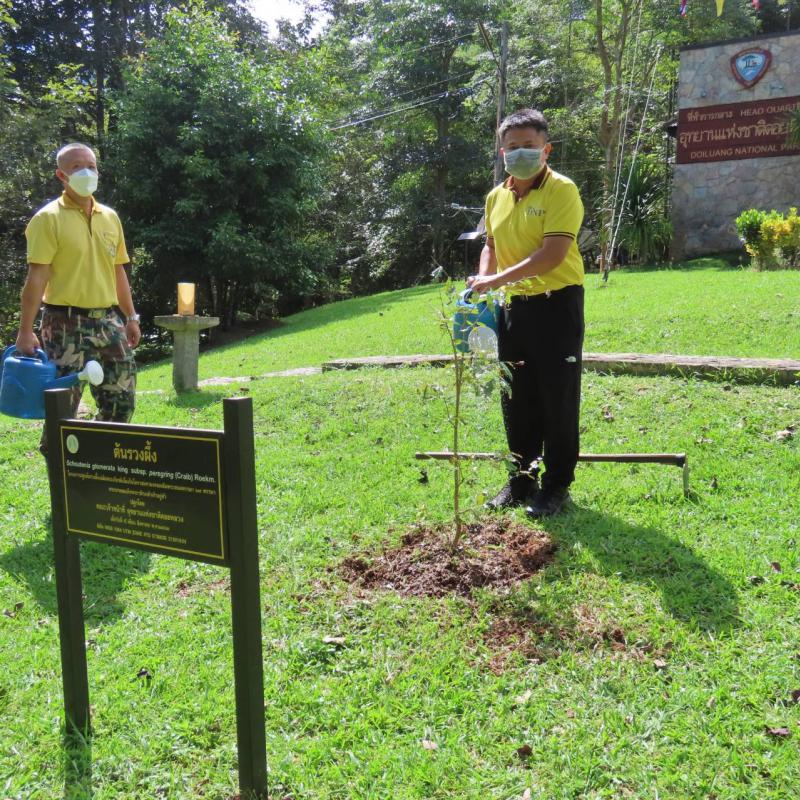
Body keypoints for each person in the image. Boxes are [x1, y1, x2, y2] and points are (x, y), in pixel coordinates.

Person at [468, 109, 585, 518]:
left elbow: (552, 255)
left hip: (557, 305)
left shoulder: (561, 190)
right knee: (516, 397)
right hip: (512, 307)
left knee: (557, 396)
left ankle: (556, 486)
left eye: (529, 146)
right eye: (513, 147)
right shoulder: (496, 196)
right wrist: (484, 279)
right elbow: (491, 245)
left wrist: (495, 280)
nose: (520, 153)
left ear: (546, 149)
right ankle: (521, 480)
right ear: (502, 152)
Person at [16, 142, 140, 449]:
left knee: (121, 404)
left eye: (91, 166)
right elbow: (36, 278)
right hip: (64, 324)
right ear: (61, 175)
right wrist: (25, 331)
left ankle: (99, 463)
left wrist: (131, 317)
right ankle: (58, 465)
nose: (87, 172)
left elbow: (118, 272)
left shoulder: (109, 217)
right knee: (62, 410)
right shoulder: (47, 219)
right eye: (77, 167)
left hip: (109, 321)